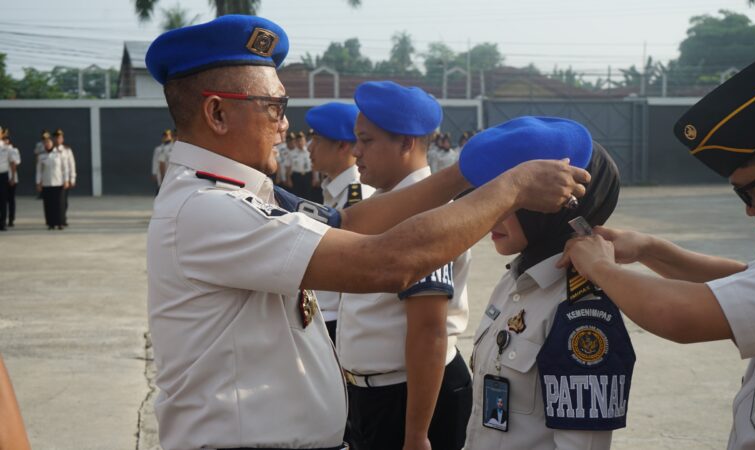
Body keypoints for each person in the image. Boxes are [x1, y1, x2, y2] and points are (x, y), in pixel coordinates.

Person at [145, 15, 588, 450]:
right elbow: (386, 262)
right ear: (217, 112)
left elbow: (349, 224)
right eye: (275, 107)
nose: (285, 125)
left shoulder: (240, 195)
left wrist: (464, 174)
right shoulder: (207, 207)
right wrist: (512, 188)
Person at [559, 37, 755, 450]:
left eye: (749, 192)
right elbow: (748, 283)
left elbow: (678, 315)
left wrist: (601, 268)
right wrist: (651, 249)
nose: (748, 211)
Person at [461, 117, 631, 450]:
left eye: (515, 199)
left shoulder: (582, 310)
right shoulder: (515, 281)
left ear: (557, 207)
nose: (492, 211)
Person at [338, 81, 471, 450]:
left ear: (407, 143)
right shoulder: (384, 204)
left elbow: (429, 332)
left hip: (411, 399)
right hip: (378, 395)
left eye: (367, 140)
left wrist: (416, 435)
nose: (355, 151)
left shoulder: (425, 216)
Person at [305, 102, 376, 340]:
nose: (308, 147)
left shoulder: (357, 196)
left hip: (340, 322)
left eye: (316, 140)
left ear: (342, 145)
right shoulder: (335, 191)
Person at [35, 131, 67, 230]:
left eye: (49, 142)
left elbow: (65, 168)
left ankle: (60, 223)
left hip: (58, 182)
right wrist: (38, 182)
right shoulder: (41, 156)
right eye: (45, 143)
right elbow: (39, 171)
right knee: (48, 204)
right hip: (47, 183)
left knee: (59, 204)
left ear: (52, 143)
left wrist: (66, 180)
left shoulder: (59, 154)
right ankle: (51, 223)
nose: (47, 144)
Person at [53, 129, 76, 226]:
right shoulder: (50, 149)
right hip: (54, 180)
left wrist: (72, 178)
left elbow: (72, 165)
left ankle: (63, 218)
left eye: (60, 138)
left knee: (63, 201)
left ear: (62, 139)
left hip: (64, 180)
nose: (58, 140)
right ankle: (55, 219)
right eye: (56, 138)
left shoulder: (67, 150)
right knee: (54, 201)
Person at [3, 129, 20, 228]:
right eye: (3, 139)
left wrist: (13, 178)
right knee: (2, 200)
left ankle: (11, 219)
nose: (5, 141)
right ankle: (3, 219)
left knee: (10, 200)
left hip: (10, 178)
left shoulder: (13, 150)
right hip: (2, 178)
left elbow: (14, 164)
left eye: (6, 139)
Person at [290, 130, 313, 199]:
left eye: (302, 140)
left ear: (305, 141)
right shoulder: (292, 153)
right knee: (296, 196)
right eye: (298, 141)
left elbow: (313, 165)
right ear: (296, 142)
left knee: (308, 195)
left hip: (307, 176)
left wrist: (315, 178)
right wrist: (288, 179)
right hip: (296, 176)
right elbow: (288, 167)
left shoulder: (309, 151)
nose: (300, 143)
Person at [0, 128, 13, 232]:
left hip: (3, 175)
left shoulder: (6, 147)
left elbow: (12, 162)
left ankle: (2, 223)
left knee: (3, 200)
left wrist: (12, 177)